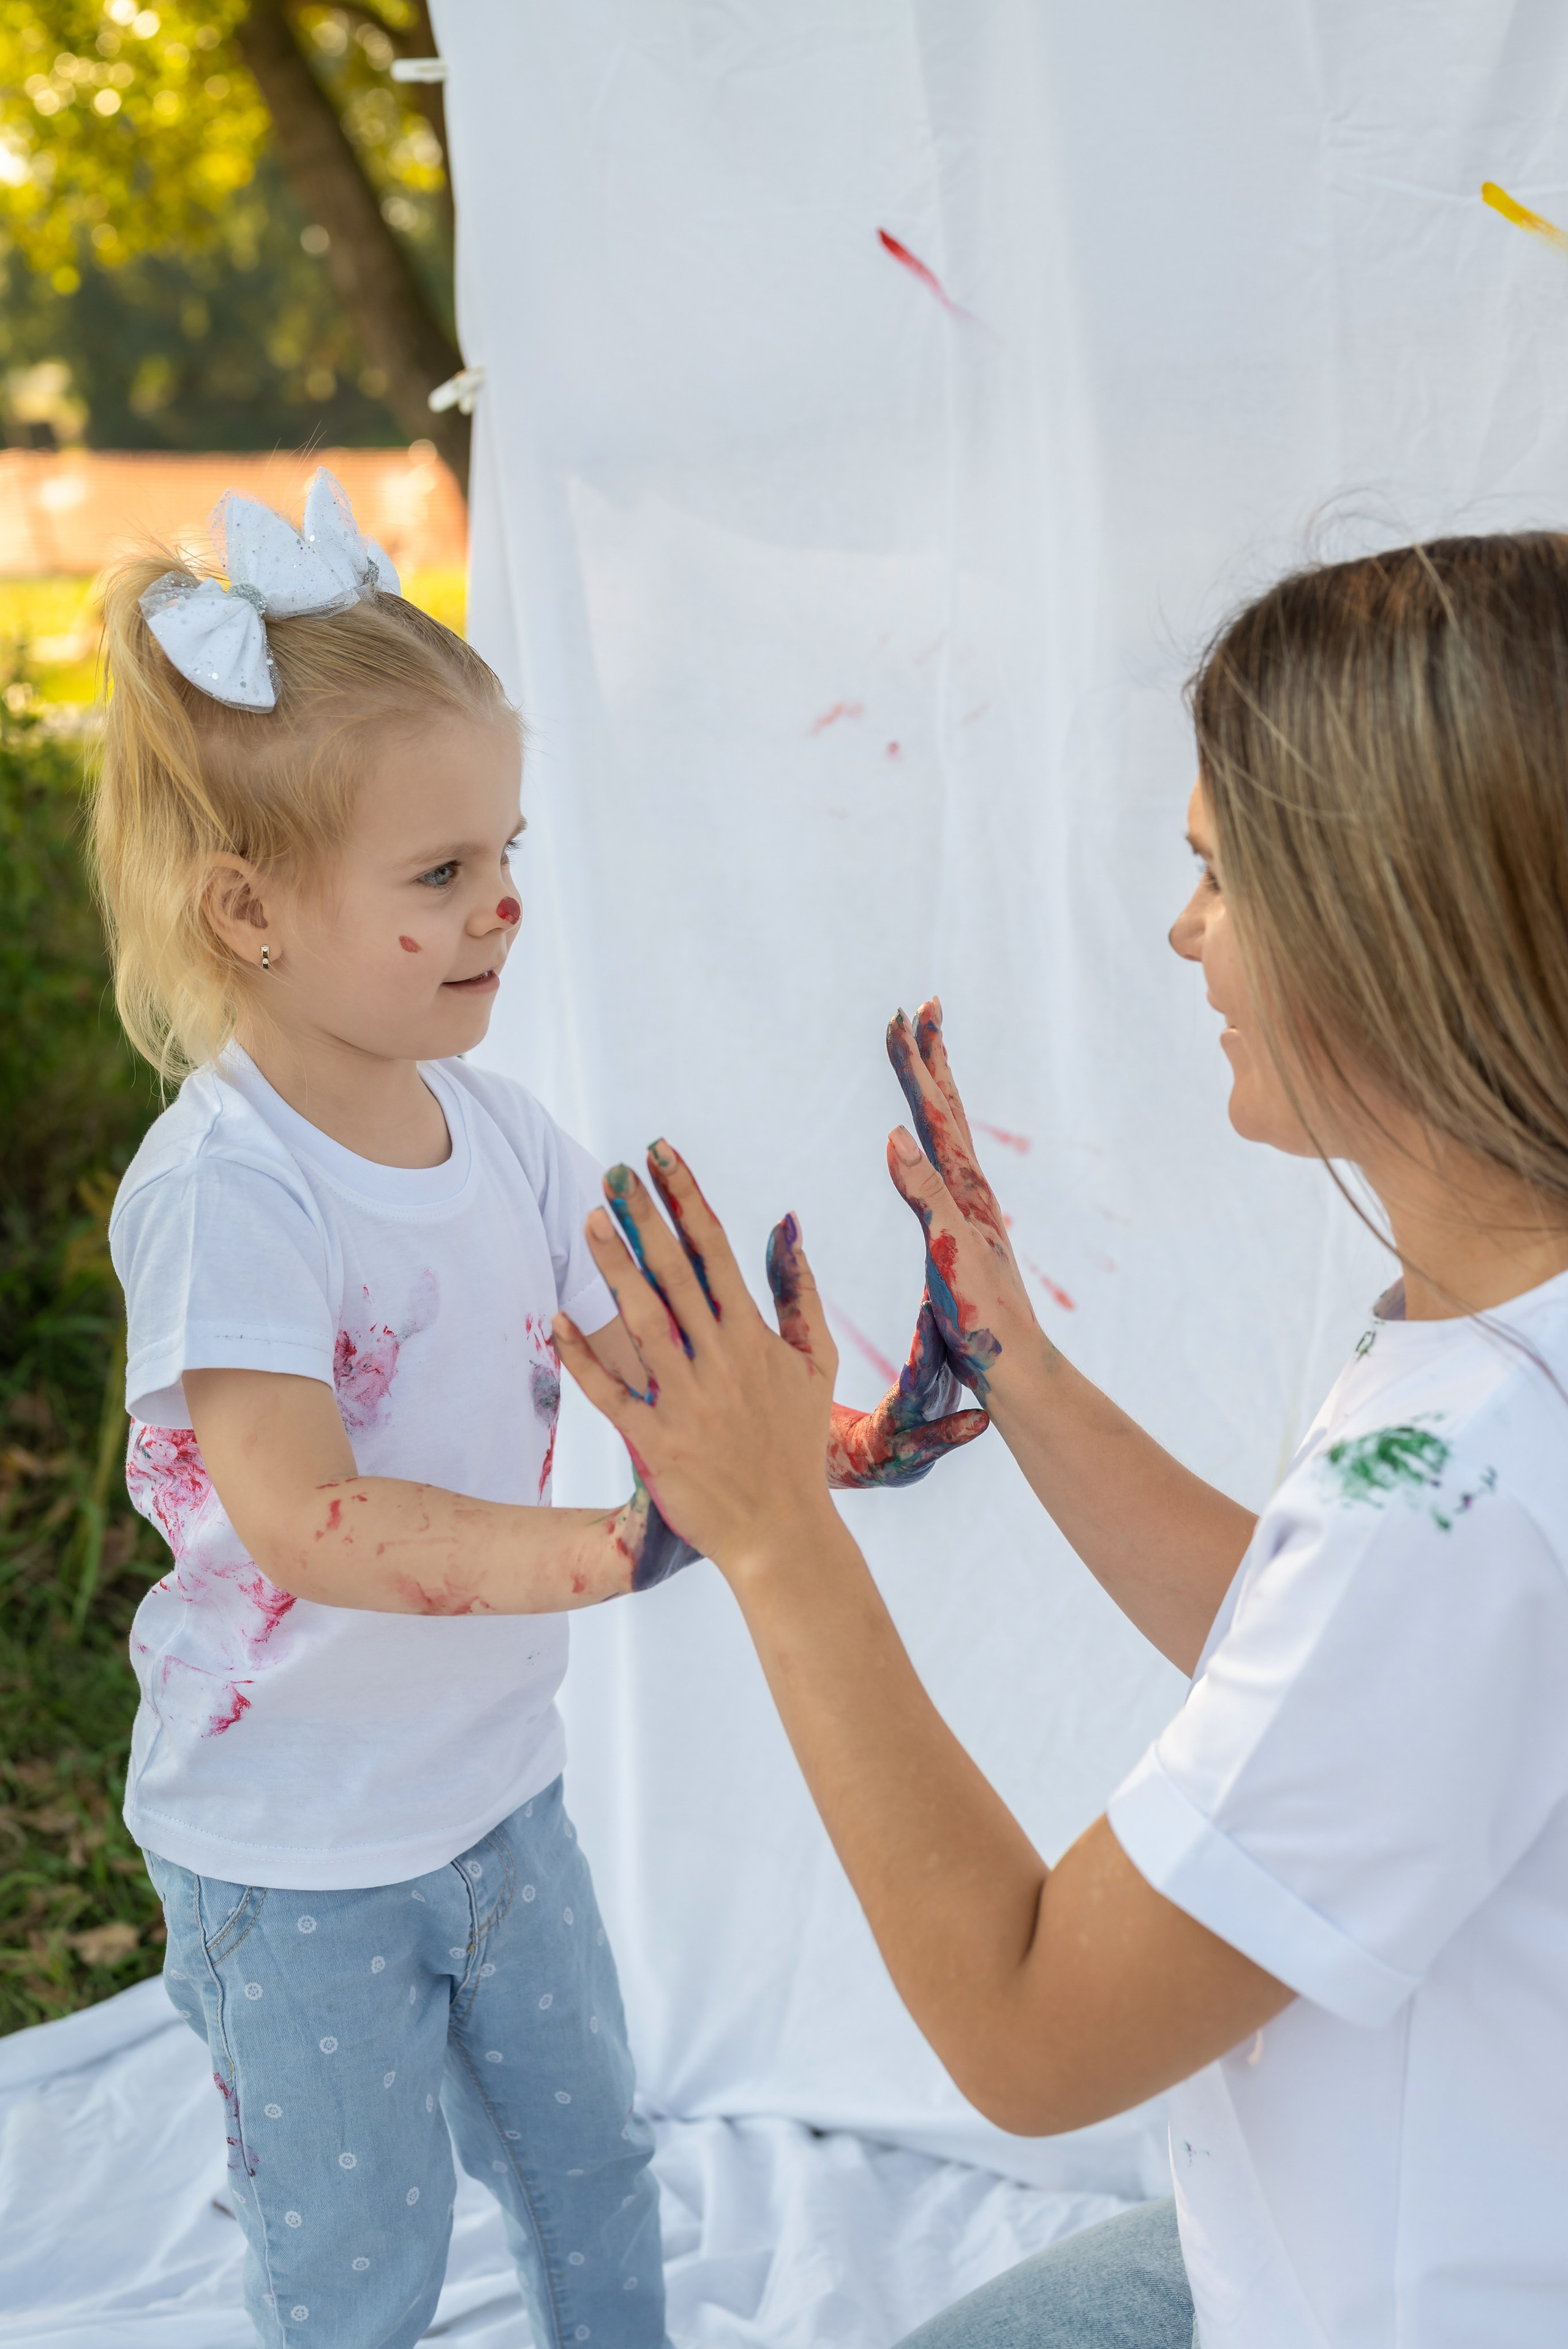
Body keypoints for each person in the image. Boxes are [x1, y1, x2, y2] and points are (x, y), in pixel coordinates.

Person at [551, 534, 1568, 2349]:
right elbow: (1339, 1669)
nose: (1187, 933)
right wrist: (1007, 1358)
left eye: (1215, 876)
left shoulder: (1458, 1504)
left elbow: (1025, 2032)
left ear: (1386, 919)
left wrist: (778, 1537)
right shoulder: (1501, 1361)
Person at [94, 472, 982, 2349]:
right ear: (247, 910)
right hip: (296, 1844)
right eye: (439, 876)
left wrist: (838, 1436)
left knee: (594, 2177)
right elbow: (299, 1515)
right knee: (362, 2268)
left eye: (506, 850)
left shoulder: (496, 1130)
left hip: (500, 1800)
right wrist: (615, 1547)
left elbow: (671, 1362)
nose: (503, 900)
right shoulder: (229, 1190)